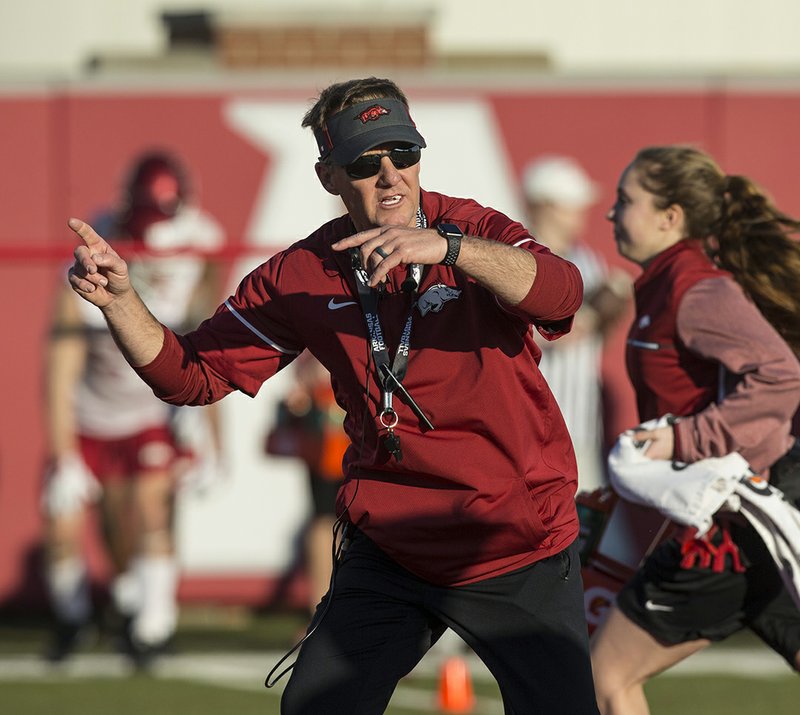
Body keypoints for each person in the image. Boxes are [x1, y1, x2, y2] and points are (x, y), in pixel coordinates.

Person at [65, 77, 600, 714]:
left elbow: (563, 294)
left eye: (403, 154)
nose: (391, 176)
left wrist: (453, 251)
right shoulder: (301, 274)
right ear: (329, 178)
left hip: (513, 540)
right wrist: (123, 304)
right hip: (394, 548)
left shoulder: (473, 228)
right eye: (365, 164)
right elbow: (191, 376)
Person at [590, 145, 800, 714]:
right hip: (733, 516)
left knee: (606, 676)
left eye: (625, 201)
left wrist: (684, 441)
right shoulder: (662, 285)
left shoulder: (697, 289)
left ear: (671, 216)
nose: (612, 213)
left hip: (735, 524)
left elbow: (781, 377)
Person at [43, 149, 226, 666]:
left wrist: (211, 436)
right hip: (92, 411)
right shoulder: (89, 254)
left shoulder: (201, 245)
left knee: (151, 511)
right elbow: (60, 366)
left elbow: (209, 345)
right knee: (77, 528)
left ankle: (153, 627)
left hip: (152, 410)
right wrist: (62, 454)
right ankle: (82, 620)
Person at [523, 155, 630, 491]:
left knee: (580, 526)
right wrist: (588, 315)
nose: (579, 214)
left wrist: (611, 311)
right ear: (545, 205)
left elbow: (594, 342)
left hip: (580, 423)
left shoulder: (588, 260)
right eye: (570, 206)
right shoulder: (519, 257)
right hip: (529, 425)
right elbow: (537, 336)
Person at [264, 351, 348, 616]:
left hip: (341, 423)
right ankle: (322, 610)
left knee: (335, 522)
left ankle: (325, 610)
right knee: (326, 519)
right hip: (332, 431)